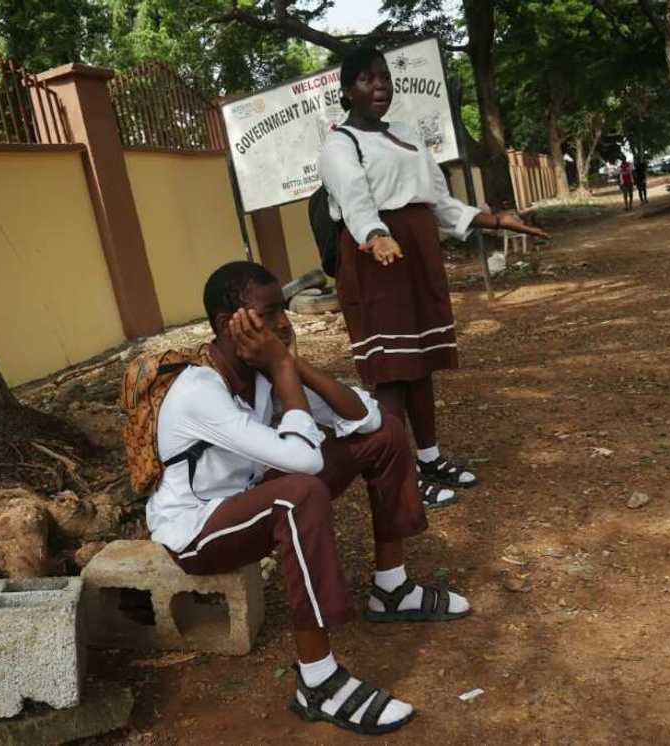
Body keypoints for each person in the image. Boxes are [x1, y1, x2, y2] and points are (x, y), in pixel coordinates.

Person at [146, 261, 471, 736]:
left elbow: (369, 417)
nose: (284, 323)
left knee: (386, 437)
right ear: (226, 324)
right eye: (269, 312)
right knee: (300, 493)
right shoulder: (199, 391)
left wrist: (290, 366)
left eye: (284, 310)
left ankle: (392, 588)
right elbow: (306, 464)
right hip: (197, 531)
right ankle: (317, 680)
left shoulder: (261, 374)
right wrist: (280, 365)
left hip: (249, 499)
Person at [318, 46, 549, 509]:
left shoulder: (405, 134)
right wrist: (377, 235)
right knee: (391, 371)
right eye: (366, 79)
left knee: (421, 363)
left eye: (384, 76)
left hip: (416, 252)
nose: (379, 85)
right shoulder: (340, 144)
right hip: (375, 258)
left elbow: (438, 200)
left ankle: (429, 457)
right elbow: (355, 199)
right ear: (347, 91)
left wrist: (496, 221)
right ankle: (398, 473)